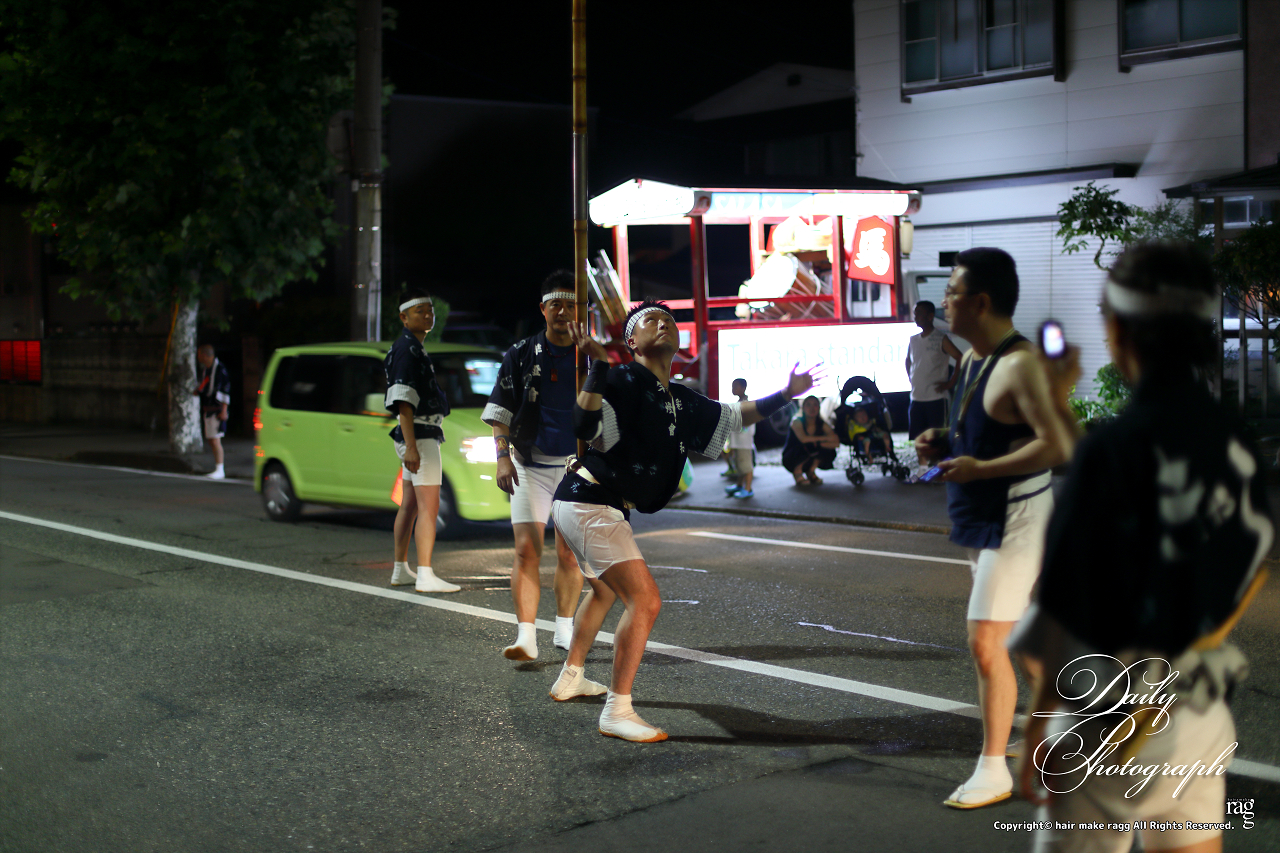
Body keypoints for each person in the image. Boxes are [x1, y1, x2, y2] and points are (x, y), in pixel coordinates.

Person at [1011, 242, 1273, 853]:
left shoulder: (1114, 450)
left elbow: (1062, 610)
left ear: (1118, 330)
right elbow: (1245, 562)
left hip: (1109, 718)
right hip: (1198, 708)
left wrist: (1040, 731)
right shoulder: (1236, 442)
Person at [548, 300, 820, 742]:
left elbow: (735, 417)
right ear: (632, 342)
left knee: (604, 590)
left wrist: (786, 393)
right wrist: (598, 366)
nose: (663, 323)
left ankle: (571, 676)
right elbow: (585, 424)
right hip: (590, 500)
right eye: (651, 320)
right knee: (645, 601)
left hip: (589, 501)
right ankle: (617, 710)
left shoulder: (680, 398)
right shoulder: (622, 378)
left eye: (669, 320)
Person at [914, 247, 1076, 809]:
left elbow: (1059, 443)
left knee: (986, 641)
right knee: (1020, 638)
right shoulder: (970, 359)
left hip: (1016, 516)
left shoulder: (1021, 363)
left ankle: (993, 769)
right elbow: (982, 429)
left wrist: (983, 469)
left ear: (980, 302)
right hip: (979, 516)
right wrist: (942, 442)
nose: (943, 302)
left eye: (952, 293)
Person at [482, 271, 586, 660]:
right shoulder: (521, 353)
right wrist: (502, 458)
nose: (563, 312)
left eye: (571, 304)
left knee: (569, 554)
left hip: (577, 469)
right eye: (555, 304)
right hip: (529, 464)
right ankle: (526, 635)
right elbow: (500, 411)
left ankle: (564, 628)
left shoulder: (589, 355)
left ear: (580, 309)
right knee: (527, 550)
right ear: (542, 309)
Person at [384, 288, 460, 594]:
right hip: (420, 435)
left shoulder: (410, 346)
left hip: (415, 435)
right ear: (404, 317)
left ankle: (400, 569)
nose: (428, 315)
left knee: (411, 505)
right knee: (429, 506)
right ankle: (426, 573)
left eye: (430, 311)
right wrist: (412, 447)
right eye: (420, 311)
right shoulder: (408, 349)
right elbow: (404, 401)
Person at [905, 300, 964, 474]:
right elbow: (908, 360)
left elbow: (959, 357)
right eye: (915, 313)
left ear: (930, 316)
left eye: (919, 313)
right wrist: (911, 378)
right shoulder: (913, 340)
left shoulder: (940, 338)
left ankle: (940, 469)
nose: (916, 316)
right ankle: (923, 469)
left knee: (938, 436)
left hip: (936, 397)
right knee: (919, 436)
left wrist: (951, 382)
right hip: (917, 396)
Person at [781, 395, 839, 485]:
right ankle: (797, 471)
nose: (812, 408)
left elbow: (836, 442)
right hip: (792, 458)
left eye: (815, 405)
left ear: (819, 407)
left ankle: (811, 471)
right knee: (806, 445)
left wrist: (820, 444)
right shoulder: (797, 422)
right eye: (808, 405)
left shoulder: (822, 424)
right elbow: (804, 439)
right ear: (803, 408)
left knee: (827, 450)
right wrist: (824, 439)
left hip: (810, 457)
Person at [193, 344, 231, 479]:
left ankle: (220, 469)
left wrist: (224, 410)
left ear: (205, 355)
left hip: (217, 409)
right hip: (208, 408)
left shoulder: (220, 369)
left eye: (199, 354)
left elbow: (225, 390)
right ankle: (218, 467)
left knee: (215, 440)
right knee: (211, 439)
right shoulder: (207, 370)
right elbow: (205, 386)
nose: (198, 357)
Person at [723, 378, 756, 499]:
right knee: (740, 465)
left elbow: (747, 424)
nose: (733, 389)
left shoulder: (747, 405)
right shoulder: (740, 403)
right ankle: (739, 485)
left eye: (736, 386)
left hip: (743, 442)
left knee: (746, 466)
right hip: (737, 442)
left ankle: (748, 488)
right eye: (733, 386)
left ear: (743, 388)